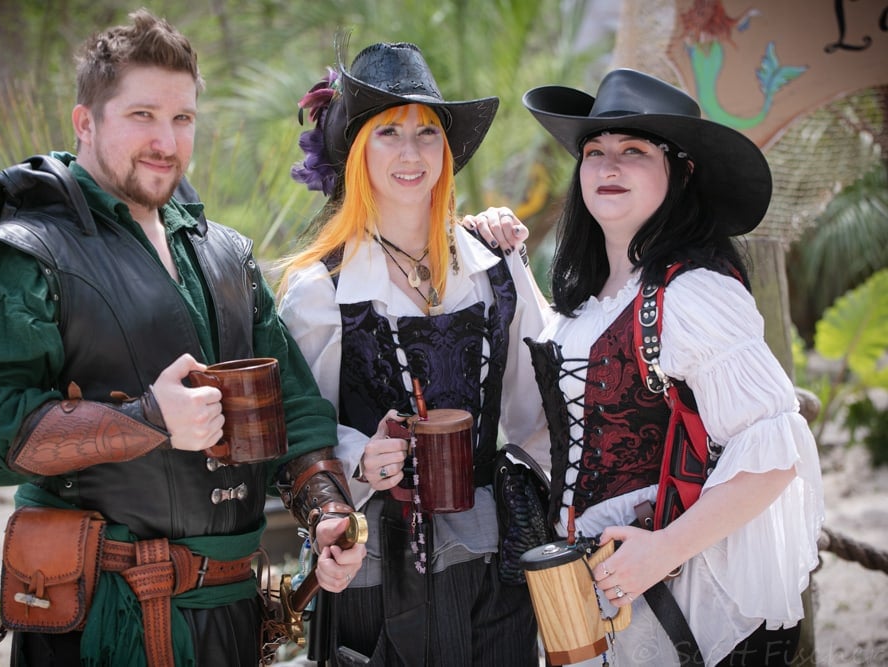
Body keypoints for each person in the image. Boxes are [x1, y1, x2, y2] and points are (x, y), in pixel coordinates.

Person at [0, 10, 364, 667]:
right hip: (102, 624)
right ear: (86, 121)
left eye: (182, 118)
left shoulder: (226, 255)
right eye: (142, 115)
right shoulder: (25, 258)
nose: (166, 140)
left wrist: (327, 510)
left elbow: (295, 412)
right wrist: (146, 419)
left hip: (236, 614)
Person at [493, 68, 823, 665]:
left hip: (681, 588)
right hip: (589, 591)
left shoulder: (694, 293)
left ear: (681, 172)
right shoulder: (585, 306)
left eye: (634, 151)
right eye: (595, 152)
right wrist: (504, 252)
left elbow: (778, 451)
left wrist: (663, 550)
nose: (608, 166)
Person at [277, 40, 553, 666]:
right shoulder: (322, 289)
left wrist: (553, 525)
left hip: (493, 559)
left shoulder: (495, 267)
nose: (411, 152)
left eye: (428, 132)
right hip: (376, 561)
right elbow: (300, 434)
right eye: (389, 133)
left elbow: (540, 412)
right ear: (356, 153)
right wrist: (358, 457)